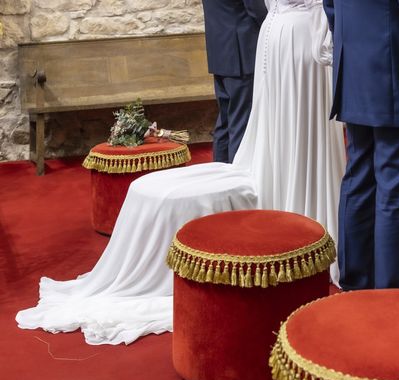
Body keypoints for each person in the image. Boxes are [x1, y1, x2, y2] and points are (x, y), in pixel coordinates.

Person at [16, 0, 346, 345]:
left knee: (234, 127)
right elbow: (253, 6)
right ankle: (245, 205)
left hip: (249, 43)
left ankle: (238, 181)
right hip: (261, 43)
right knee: (243, 125)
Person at [323, 0, 399, 290]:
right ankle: (391, 291)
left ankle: (356, 280)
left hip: (353, 61)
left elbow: (330, 6)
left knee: (359, 174)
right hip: (396, 63)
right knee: (397, 183)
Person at [202, 0, 267, 163]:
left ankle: (220, 172)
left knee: (224, 122)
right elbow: (256, 9)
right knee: (241, 123)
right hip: (241, 53)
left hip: (220, 51)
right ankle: (236, 177)